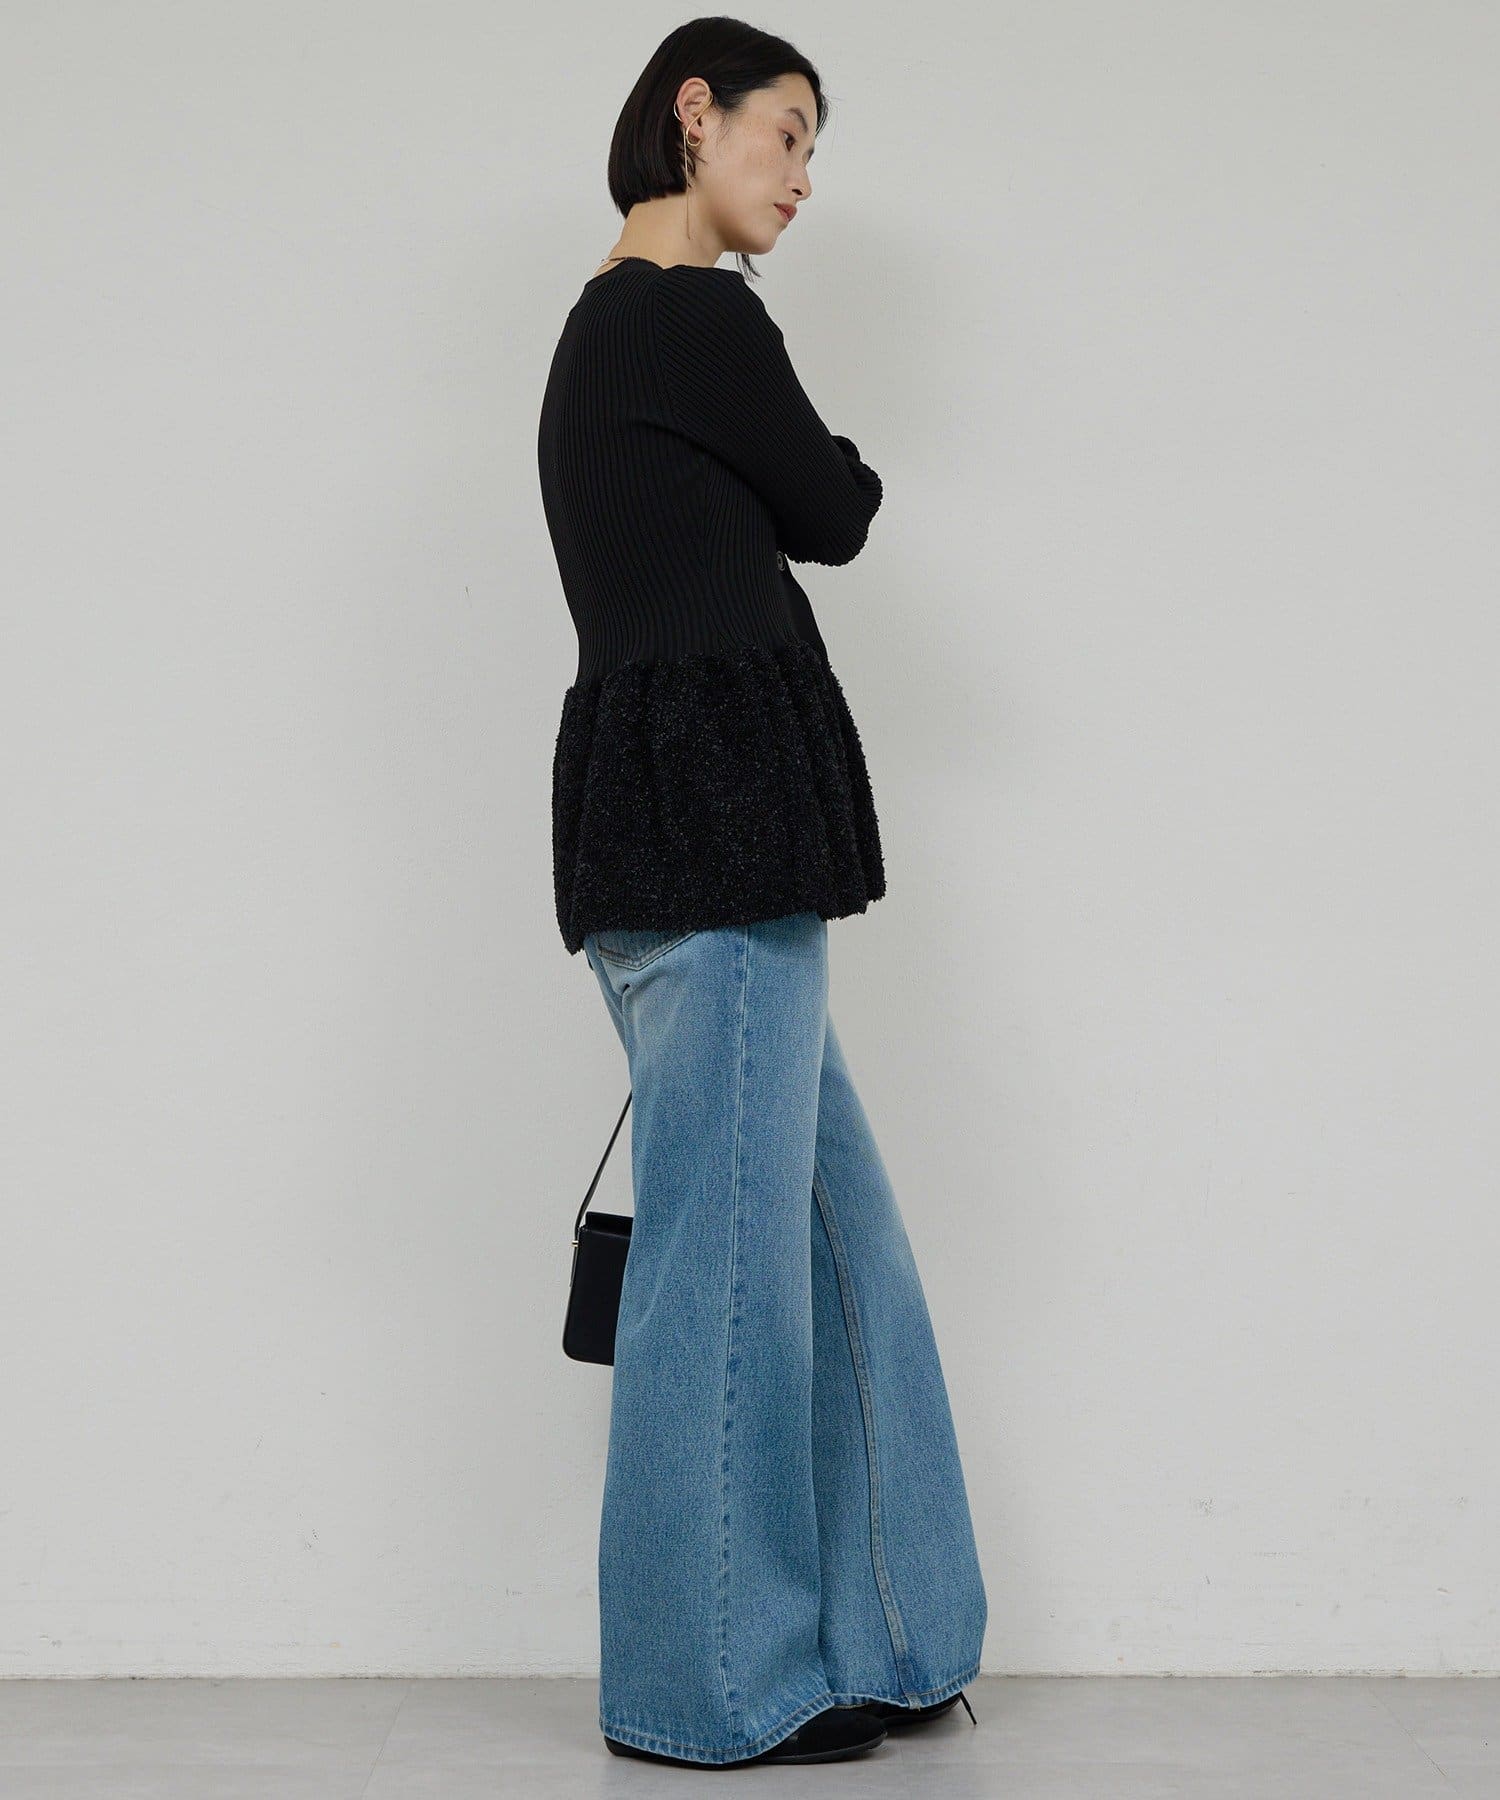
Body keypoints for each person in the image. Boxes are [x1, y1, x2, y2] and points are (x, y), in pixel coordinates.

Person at [536, 17, 988, 1770]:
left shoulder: (596, 331)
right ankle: (707, 1687)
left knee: (829, 1241)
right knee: (730, 1273)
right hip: (718, 840)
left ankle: (890, 1635)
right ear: (692, 114)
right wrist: (811, 464)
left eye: (814, 148)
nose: (802, 176)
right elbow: (837, 503)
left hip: (666, 836)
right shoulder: (693, 315)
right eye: (784, 133)